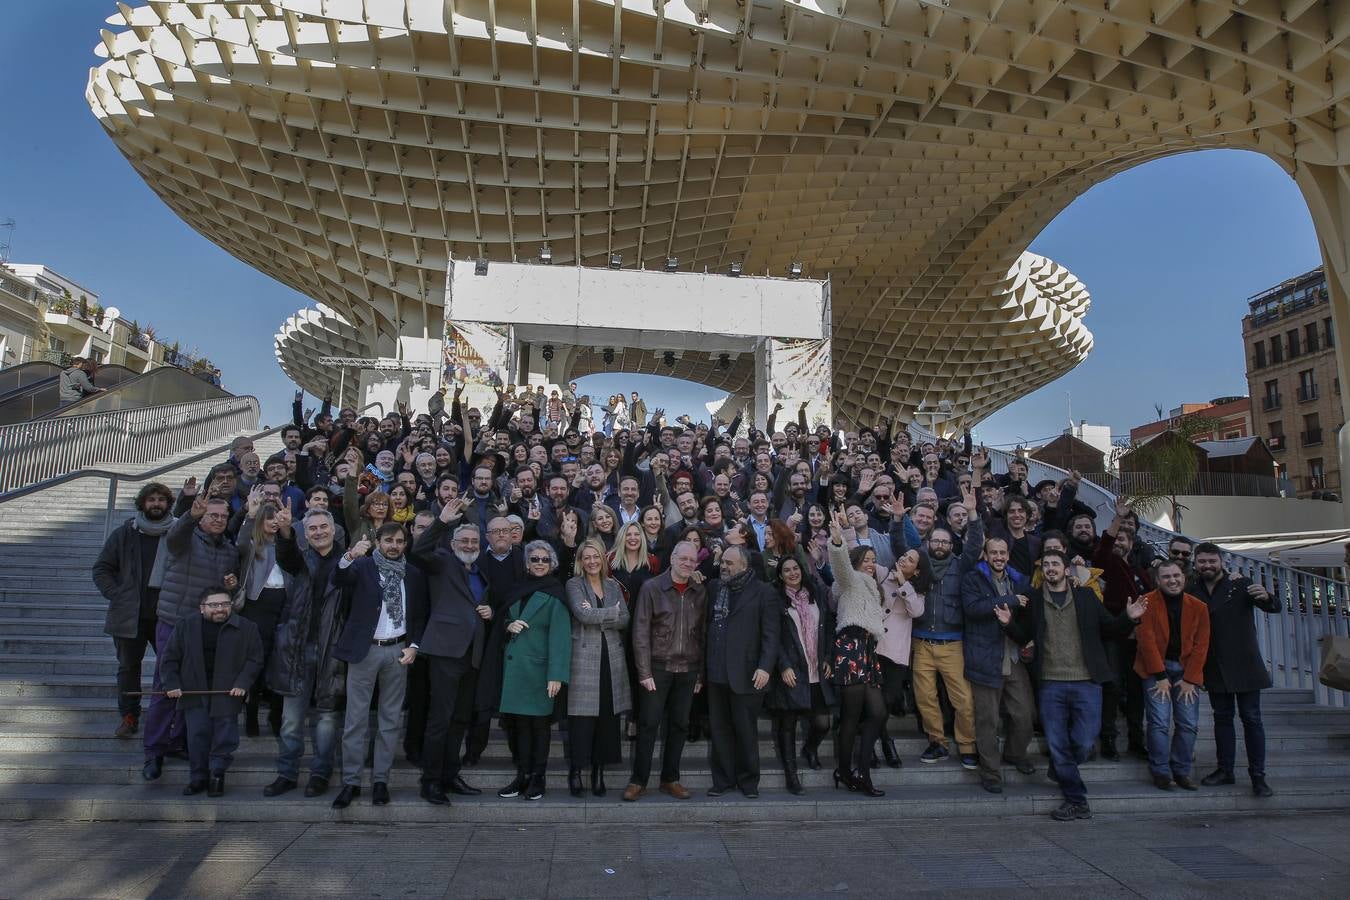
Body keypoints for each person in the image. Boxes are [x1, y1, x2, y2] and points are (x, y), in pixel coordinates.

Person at [996, 550, 1147, 821]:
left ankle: (1061, 768)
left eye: (1056, 564)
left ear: (1067, 570)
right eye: (1046, 566)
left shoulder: (1086, 596)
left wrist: (1129, 617)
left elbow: (1110, 629)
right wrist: (1008, 625)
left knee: (1084, 741)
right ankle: (1076, 800)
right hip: (1051, 683)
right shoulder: (1033, 601)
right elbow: (1024, 636)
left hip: (1087, 681)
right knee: (1057, 743)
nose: (1051, 569)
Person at [142, 492, 239, 782]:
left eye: (223, 516)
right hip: (173, 622)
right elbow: (174, 537)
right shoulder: (186, 537)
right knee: (165, 686)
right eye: (213, 515)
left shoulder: (229, 551)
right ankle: (154, 751)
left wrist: (231, 586)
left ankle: (179, 741)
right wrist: (190, 516)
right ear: (202, 516)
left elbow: (221, 593)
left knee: (194, 690)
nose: (219, 521)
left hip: (203, 626)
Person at [330, 526, 422, 809]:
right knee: (355, 721)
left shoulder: (414, 574)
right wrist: (349, 555)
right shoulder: (363, 567)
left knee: (390, 721)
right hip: (365, 650)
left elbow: (420, 612)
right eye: (388, 541)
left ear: (405, 544)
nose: (394, 546)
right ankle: (351, 782)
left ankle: (381, 780)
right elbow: (338, 577)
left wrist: (415, 644)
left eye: (399, 541)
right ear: (378, 542)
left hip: (398, 652)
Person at [408, 502, 489, 806]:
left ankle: (450, 775)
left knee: (459, 720)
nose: (469, 545)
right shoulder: (443, 561)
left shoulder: (479, 572)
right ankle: (430, 781)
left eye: (474, 541)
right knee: (440, 720)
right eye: (464, 541)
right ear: (453, 544)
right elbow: (418, 552)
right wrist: (440, 523)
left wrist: (489, 609)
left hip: (472, 654)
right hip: (445, 651)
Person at [263, 508, 347, 799]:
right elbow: (286, 556)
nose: (319, 532)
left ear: (334, 530)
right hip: (297, 649)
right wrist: (285, 532)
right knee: (291, 720)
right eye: (312, 528)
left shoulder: (348, 562)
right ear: (305, 533)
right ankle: (286, 774)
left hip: (332, 652)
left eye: (324, 526)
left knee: (326, 720)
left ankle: (320, 774)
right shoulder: (301, 560)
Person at [1189, 543, 1280, 797]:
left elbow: (1273, 607)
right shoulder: (1191, 589)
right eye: (1202, 561)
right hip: (1213, 664)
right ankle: (1225, 770)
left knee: (1252, 719)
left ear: (1221, 561)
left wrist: (1267, 596)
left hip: (1245, 663)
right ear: (1196, 563)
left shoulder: (1240, 584)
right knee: (1222, 719)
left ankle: (1258, 776)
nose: (1207, 565)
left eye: (1212, 561)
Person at [160, 587, 263, 798]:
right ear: (201, 608)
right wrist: (171, 683)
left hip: (227, 692)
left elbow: (255, 659)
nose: (220, 609)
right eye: (213, 605)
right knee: (197, 736)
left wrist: (243, 682)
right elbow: (170, 658)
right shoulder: (186, 625)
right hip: (194, 691)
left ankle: (217, 774)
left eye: (225, 604)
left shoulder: (246, 627)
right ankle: (198, 777)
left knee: (225, 735)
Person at [624, 542, 707, 802]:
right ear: (671, 558)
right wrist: (644, 672)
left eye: (692, 560)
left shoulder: (700, 591)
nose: (687, 563)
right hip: (657, 668)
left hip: (688, 669)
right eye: (683, 558)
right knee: (648, 725)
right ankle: (639, 780)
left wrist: (700, 674)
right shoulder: (652, 588)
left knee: (680, 725)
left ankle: (670, 779)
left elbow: (703, 634)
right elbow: (639, 633)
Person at [92, 481, 175, 738]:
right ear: (143, 503)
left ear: (168, 504)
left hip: (166, 612)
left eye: (161, 499)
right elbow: (102, 569)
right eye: (152, 499)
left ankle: (166, 717)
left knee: (170, 667)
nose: (157, 504)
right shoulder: (125, 533)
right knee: (128, 666)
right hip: (131, 614)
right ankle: (129, 716)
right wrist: (118, 595)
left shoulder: (176, 532)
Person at [911, 488, 983, 768]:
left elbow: (975, 545)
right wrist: (896, 520)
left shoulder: (961, 565)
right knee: (925, 698)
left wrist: (973, 514)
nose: (940, 544)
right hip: (922, 642)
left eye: (945, 541)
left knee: (963, 699)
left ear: (952, 546)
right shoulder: (919, 564)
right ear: (928, 543)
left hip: (952, 643)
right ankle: (937, 742)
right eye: (936, 540)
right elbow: (898, 543)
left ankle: (967, 745)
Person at [496, 540, 572, 801]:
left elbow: (560, 638)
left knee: (539, 727)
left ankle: (538, 777)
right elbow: (501, 618)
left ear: (552, 564)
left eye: (544, 560)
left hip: (540, 673)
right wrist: (507, 624)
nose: (539, 563)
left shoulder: (556, 592)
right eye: (535, 559)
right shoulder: (516, 588)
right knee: (518, 727)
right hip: (515, 671)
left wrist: (557, 675)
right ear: (527, 563)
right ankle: (522, 775)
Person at [961, 536, 1036, 793]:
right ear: (985, 555)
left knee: (1025, 714)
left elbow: (1029, 615)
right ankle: (991, 772)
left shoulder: (1019, 580)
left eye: (1002, 552)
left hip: (1014, 657)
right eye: (993, 552)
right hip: (985, 657)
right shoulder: (973, 578)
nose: (999, 557)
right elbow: (972, 608)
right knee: (987, 720)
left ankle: (1015, 753)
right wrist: (1010, 601)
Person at [704, 545, 779, 799]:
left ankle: (748, 782)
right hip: (716, 672)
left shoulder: (764, 592)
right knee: (719, 729)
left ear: (744, 566)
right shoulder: (715, 588)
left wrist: (765, 667)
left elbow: (771, 634)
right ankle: (722, 780)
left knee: (746, 730)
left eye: (729, 563)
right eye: (722, 562)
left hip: (748, 673)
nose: (723, 566)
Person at [1133, 560, 1210, 791]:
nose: (1172, 580)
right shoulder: (1146, 602)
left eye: (1176, 575)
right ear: (1158, 580)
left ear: (1184, 578)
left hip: (1186, 670)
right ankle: (1161, 772)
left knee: (1188, 724)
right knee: (1158, 722)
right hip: (1155, 668)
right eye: (1166, 577)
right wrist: (1160, 675)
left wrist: (1190, 679)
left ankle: (1182, 771)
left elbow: (1201, 644)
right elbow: (1145, 640)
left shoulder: (1198, 606)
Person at [826, 512, 886, 797]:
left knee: (877, 712)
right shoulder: (849, 581)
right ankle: (849, 771)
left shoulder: (872, 585)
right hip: (850, 647)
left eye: (874, 561)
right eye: (867, 560)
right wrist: (838, 540)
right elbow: (841, 566)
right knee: (850, 716)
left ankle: (859, 769)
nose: (872, 565)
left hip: (867, 650)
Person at [564, 539, 631, 798]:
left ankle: (598, 771)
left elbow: (624, 618)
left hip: (611, 658)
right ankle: (577, 770)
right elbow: (583, 616)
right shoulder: (573, 584)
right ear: (581, 561)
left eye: (596, 557)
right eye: (587, 557)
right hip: (583, 659)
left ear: (603, 560)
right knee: (581, 718)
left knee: (607, 717)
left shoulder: (613, 585)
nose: (592, 561)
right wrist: (609, 614)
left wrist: (599, 614)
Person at [767, 556, 835, 793]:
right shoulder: (775, 598)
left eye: (795, 568)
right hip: (791, 670)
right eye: (786, 570)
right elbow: (772, 635)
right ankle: (791, 775)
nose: (792, 573)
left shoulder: (815, 592)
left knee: (822, 722)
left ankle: (810, 748)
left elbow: (827, 627)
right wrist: (783, 665)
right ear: (780, 575)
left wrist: (828, 657)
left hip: (816, 667)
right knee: (787, 725)